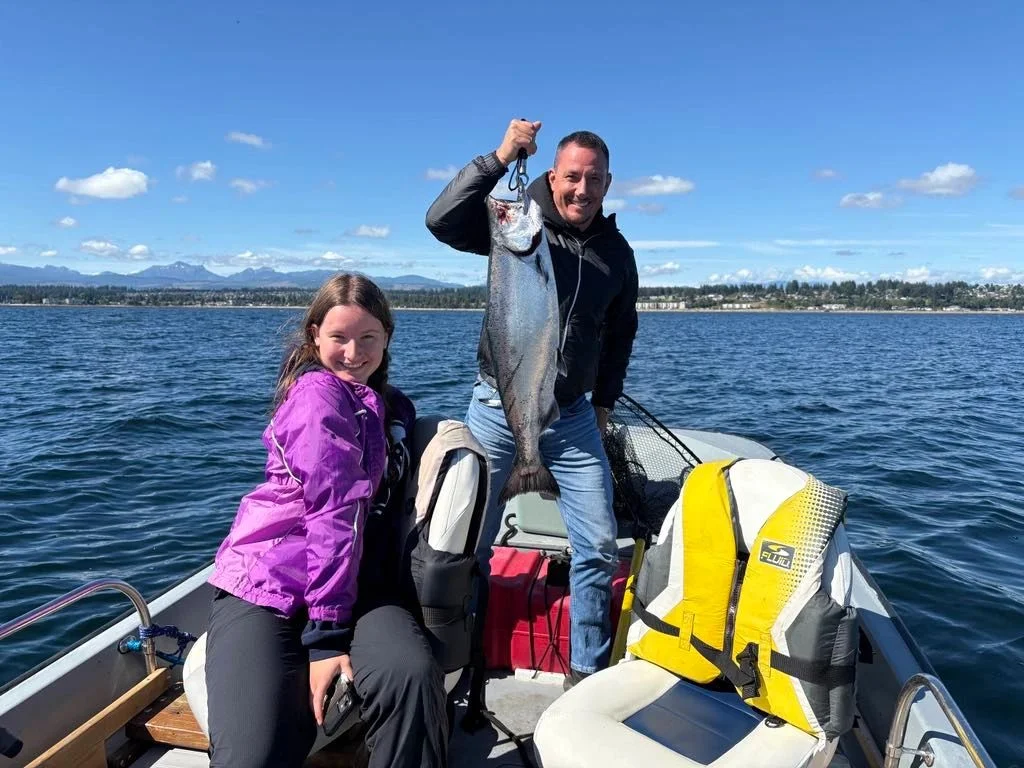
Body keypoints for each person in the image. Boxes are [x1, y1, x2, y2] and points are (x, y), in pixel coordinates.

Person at [425, 119, 640, 688]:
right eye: (572, 177)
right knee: (467, 541)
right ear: (553, 175)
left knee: (596, 545)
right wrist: (498, 157)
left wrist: (605, 403)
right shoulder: (513, 224)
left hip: (572, 419)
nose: (581, 189)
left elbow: (622, 333)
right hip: (497, 411)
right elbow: (440, 220)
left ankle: (586, 674)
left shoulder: (617, 254)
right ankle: (461, 661)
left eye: (593, 180)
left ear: (608, 184)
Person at [203, 273, 447, 768]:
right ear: (315, 335)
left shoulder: (376, 401)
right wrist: (327, 640)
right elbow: (336, 512)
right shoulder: (318, 398)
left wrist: (395, 412)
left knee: (411, 674)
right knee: (254, 754)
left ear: (387, 339)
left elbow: (388, 407)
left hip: (349, 584)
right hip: (268, 583)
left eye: (368, 338)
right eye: (339, 337)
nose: (353, 352)